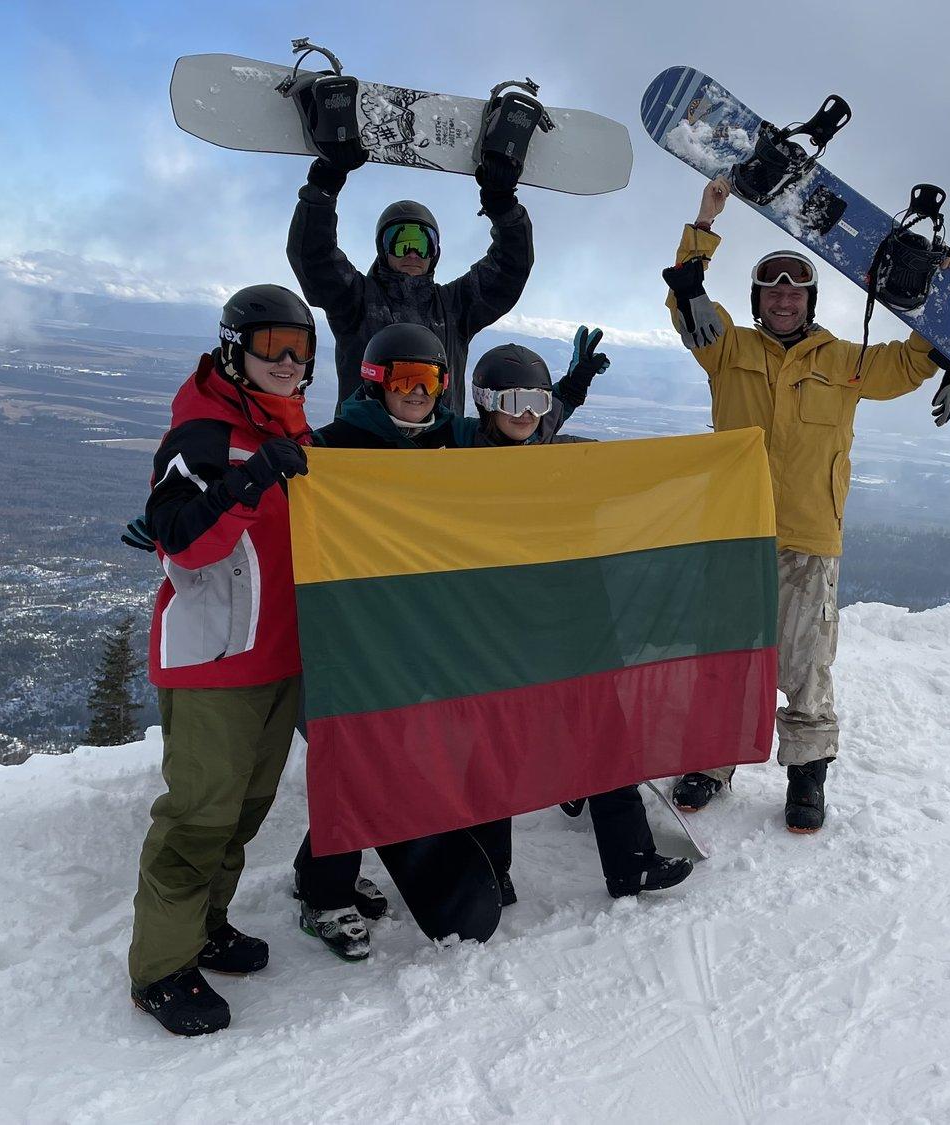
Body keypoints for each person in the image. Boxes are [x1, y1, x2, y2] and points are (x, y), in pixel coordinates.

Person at [662, 178, 950, 834]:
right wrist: (705, 224)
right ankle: (711, 762)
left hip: (808, 536)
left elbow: (909, 365)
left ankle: (806, 774)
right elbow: (684, 303)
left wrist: (937, 296)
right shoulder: (727, 348)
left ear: (810, 299)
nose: (785, 297)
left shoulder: (844, 362)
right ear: (759, 299)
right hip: (734, 535)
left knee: (806, 663)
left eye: (795, 288)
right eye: (773, 289)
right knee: (723, 659)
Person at [127, 284, 321, 1037]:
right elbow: (181, 538)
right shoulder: (205, 430)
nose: (289, 360)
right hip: (213, 662)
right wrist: (245, 482)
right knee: (198, 818)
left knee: (242, 810)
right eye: (272, 345)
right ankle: (159, 970)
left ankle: (204, 926)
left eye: (301, 347)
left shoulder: (289, 426)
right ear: (236, 348)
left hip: (275, 657)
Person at [460, 336, 694, 900]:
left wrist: (568, 388)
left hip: (572, 624)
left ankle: (631, 862)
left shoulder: (564, 457)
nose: (526, 414)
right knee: (495, 748)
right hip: (498, 634)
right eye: (510, 403)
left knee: (606, 734)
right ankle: (491, 870)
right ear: (483, 403)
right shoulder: (457, 462)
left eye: (535, 403)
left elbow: (559, 416)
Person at [290, 321, 478, 961]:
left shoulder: (450, 442)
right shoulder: (335, 446)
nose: (417, 393)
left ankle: (318, 869)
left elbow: (525, 445)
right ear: (375, 384)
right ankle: (326, 895)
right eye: (403, 380)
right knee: (358, 753)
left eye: (427, 380)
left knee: (392, 753)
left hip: (420, 631)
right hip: (352, 630)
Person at [286, 127, 535, 418]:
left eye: (422, 243)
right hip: (364, 449)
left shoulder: (456, 307)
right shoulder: (355, 300)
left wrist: (502, 203)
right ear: (383, 250)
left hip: (437, 452)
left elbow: (509, 270)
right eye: (401, 243)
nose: (413, 253)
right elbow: (315, 257)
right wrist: (325, 185)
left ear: (435, 252)